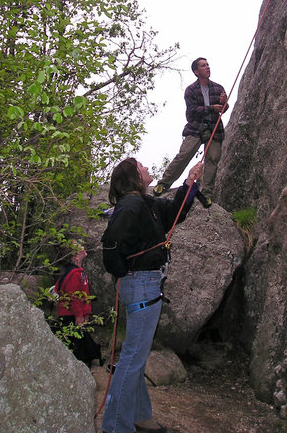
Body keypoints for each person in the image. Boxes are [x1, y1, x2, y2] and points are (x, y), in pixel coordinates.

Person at [100, 158, 203, 433]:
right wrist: (124, 270)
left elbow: (174, 212)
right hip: (142, 283)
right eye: (142, 167)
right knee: (133, 357)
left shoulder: (145, 203)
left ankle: (140, 416)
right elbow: (110, 243)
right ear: (134, 177)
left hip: (145, 283)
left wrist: (190, 183)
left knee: (137, 355)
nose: (147, 169)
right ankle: (115, 426)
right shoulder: (132, 205)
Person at [153, 57, 228, 206]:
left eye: (208, 64)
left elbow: (223, 109)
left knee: (212, 160)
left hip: (214, 128)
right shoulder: (191, 90)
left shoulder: (218, 88)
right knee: (184, 156)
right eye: (203, 65)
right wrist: (211, 108)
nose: (207, 67)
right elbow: (192, 111)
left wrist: (223, 103)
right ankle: (164, 183)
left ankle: (206, 193)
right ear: (196, 71)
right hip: (196, 128)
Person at [53, 240, 102, 367]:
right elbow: (73, 297)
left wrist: (85, 314)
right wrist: (80, 316)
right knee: (77, 349)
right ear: (75, 255)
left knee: (81, 343)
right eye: (79, 247)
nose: (83, 247)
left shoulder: (75, 272)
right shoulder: (74, 274)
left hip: (70, 314)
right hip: (71, 316)